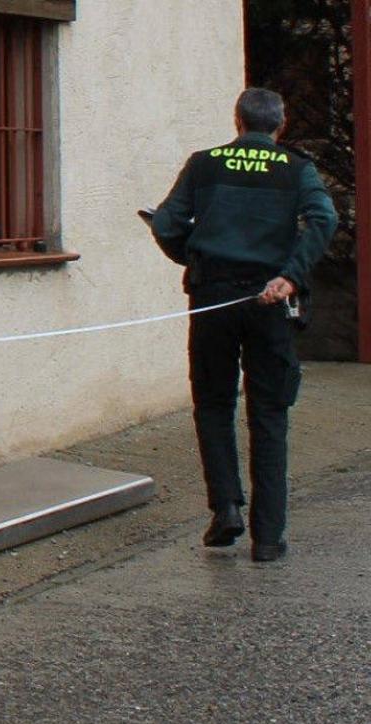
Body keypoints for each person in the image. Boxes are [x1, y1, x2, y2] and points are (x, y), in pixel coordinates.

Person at [152, 87, 336, 562]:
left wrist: (193, 258)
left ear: (237, 123)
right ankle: (269, 538)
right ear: (281, 125)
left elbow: (166, 223)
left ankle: (226, 509)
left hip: (213, 298)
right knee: (269, 413)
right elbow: (324, 217)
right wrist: (290, 277)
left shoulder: (204, 163)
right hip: (268, 298)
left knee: (213, 404)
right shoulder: (296, 169)